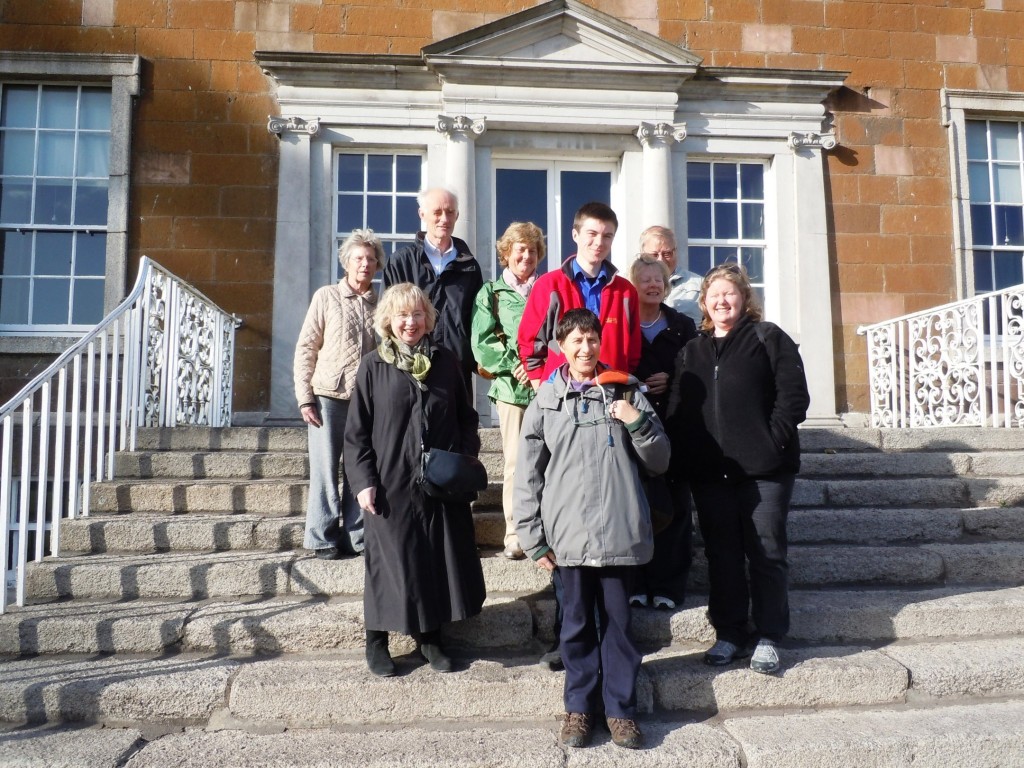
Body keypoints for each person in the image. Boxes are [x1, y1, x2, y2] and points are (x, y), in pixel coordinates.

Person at [515, 309, 669, 751]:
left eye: (592, 339)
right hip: (568, 537)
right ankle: (579, 709)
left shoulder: (627, 389)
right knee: (576, 626)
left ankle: (621, 711)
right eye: (576, 341)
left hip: (619, 531)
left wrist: (635, 421)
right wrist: (531, 534)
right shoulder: (545, 399)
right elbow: (527, 474)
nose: (585, 349)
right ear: (562, 346)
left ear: (601, 342)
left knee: (620, 626)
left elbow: (660, 460)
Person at [666, 263, 809, 675]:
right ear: (704, 303)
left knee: (766, 551)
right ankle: (729, 632)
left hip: (766, 471)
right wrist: (684, 455)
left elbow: (793, 396)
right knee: (721, 554)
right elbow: (678, 407)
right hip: (711, 475)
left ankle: (768, 634)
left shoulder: (768, 338)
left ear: (745, 298)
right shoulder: (692, 350)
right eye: (715, 295)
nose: (722, 301)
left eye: (730, 293)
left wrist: (772, 440)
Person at [344, 283, 487, 677]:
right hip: (390, 480)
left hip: (438, 480)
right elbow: (357, 433)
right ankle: (377, 639)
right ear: (389, 320)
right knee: (389, 560)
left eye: (418, 314)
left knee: (433, 557)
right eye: (403, 315)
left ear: (429, 318)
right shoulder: (373, 365)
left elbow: (466, 417)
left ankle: (430, 638)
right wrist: (363, 482)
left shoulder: (446, 361)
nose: (411, 322)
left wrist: (464, 456)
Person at [293, 229, 384, 560]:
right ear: (346, 262)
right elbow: (306, 347)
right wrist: (305, 397)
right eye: (359, 258)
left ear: (377, 266)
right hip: (327, 397)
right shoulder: (326, 296)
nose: (365, 264)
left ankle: (356, 537)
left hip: (366, 401)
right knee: (325, 469)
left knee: (360, 470)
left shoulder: (381, 303)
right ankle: (322, 537)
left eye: (371, 259)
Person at [470, 221, 544, 561]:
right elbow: (481, 343)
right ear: (506, 253)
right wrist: (513, 364)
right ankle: (515, 533)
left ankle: (545, 529)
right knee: (516, 461)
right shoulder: (491, 293)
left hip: (544, 387)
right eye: (520, 249)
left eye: (532, 250)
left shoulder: (548, 290)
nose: (526, 256)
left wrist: (538, 367)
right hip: (511, 389)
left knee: (548, 460)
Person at [628, 255, 697, 610]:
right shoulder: (621, 324)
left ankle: (669, 587)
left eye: (659, 280)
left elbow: (695, 374)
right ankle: (636, 584)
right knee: (635, 506)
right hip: (632, 430)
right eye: (646, 279)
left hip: (673, 427)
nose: (653, 285)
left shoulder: (682, 326)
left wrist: (672, 380)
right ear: (634, 284)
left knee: (675, 508)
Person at [517, 202, 640, 388]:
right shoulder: (549, 286)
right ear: (575, 235)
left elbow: (632, 353)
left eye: (607, 236)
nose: (599, 242)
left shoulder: (625, 291)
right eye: (592, 234)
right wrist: (544, 392)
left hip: (612, 394)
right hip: (561, 396)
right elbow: (530, 346)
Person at [383, 187, 483, 391]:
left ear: (457, 215)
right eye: (437, 212)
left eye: (449, 212)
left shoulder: (470, 266)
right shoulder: (401, 262)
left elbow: (478, 320)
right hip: (408, 369)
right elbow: (385, 318)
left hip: (456, 371)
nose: (444, 219)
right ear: (422, 214)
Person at [639, 225, 702, 326]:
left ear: (675, 252)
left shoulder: (700, 285)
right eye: (654, 255)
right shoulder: (629, 284)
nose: (661, 260)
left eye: (667, 254)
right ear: (642, 255)